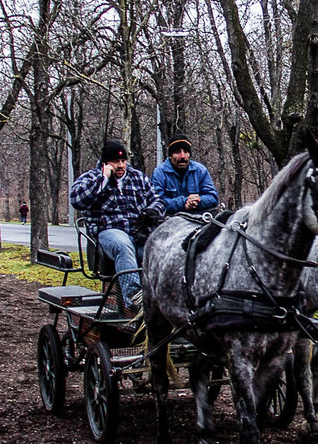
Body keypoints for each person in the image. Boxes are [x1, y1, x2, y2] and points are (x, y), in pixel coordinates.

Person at [68, 138, 156, 310]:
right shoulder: (91, 178)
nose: (121, 165)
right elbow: (76, 200)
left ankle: (157, 297)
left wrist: (151, 211)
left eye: (123, 161)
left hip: (137, 232)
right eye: (116, 162)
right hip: (108, 233)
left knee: (155, 249)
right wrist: (103, 178)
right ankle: (134, 300)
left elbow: (157, 201)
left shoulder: (138, 177)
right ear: (106, 163)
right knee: (123, 245)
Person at [149, 130, 221, 216]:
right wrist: (184, 202)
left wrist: (197, 202)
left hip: (198, 218)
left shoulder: (200, 170)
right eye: (177, 152)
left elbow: (213, 197)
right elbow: (156, 202)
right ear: (170, 155)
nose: (182, 156)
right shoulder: (160, 173)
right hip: (169, 220)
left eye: (185, 152)